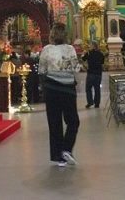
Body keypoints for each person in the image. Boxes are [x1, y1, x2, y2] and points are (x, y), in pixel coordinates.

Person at [38, 22, 80, 167]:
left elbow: (42, 70)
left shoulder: (46, 50)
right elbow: (76, 68)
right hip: (68, 90)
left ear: (52, 35)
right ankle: (66, 149)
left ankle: (58, 157)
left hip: (51, 90)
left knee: (54, 123)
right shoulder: (70, 49)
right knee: (73, 121)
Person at [82, 40, 105, 109]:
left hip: (91, 73)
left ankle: (90, 102)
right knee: (97, 88)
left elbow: (83, 59)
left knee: (88, 88)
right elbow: (102, 62)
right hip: (98, 73)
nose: (89, 46)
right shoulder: (101, 53)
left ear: (93, 46)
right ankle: (97, 104)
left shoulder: (88, 53)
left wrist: (84, 54)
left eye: (90, 45)